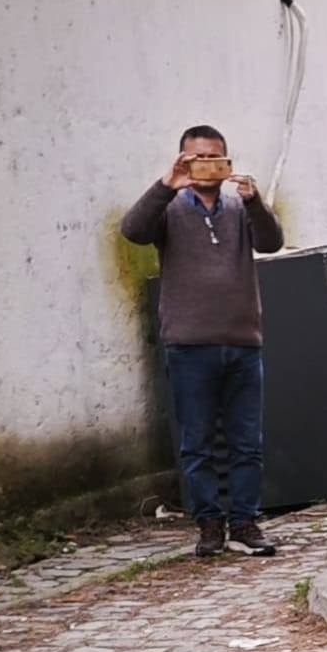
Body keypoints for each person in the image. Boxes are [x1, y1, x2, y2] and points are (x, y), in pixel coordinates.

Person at [121, 124, 285, 558]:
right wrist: (164, 185)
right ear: (183, 161)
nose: (206, 166)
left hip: (243, 341)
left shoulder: (239, 207)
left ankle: (245, 522)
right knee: (197, 443)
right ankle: (209, 525)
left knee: (246, 441)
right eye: (196, 158)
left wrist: (257, 203)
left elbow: (271, 243)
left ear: (227, 160)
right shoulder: (170, 208)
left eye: (214, 157)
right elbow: (132, 231)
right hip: (189, 344)